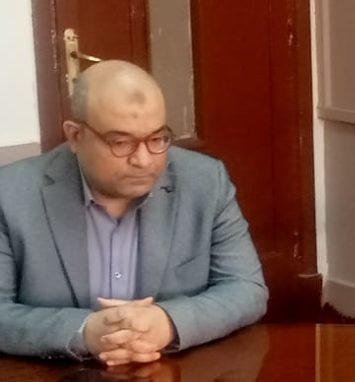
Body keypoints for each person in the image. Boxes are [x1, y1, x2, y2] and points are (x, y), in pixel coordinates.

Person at [0, 60, 267, 366]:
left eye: (157, 139)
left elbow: (246, 289)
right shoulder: (10, 194)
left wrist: (168, 322)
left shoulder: (205, 182)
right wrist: (85, 332)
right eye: (121, 142)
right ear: (75, 136)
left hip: (176, 379)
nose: (143, 160)